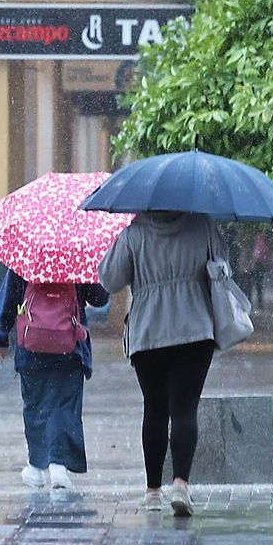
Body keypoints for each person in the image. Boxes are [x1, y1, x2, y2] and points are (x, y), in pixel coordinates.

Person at [98, 210, 220, 517]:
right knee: (184, 408)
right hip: (194, 328)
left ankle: (153, 491)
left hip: (148, 331)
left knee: (154, 408)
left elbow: (109, 279)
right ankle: (180, 484)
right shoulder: (202, 225)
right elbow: (223, 267)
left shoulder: (134, 233)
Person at [0, 269, 109, 491]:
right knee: (65, 406)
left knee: (35, 406)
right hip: (69, 346)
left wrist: (0, 337)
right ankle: (58, 465)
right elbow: (99, 298)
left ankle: (36, 467)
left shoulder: (27, 257)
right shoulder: (76, 258)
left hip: (32, 346)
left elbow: (9, 297)